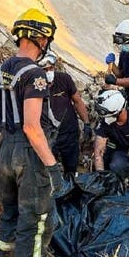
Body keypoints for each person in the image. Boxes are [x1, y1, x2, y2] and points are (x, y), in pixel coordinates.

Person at [0, 8, 63, 257]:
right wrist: (52, 165)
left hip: (5, 151)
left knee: (10, 213)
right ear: (41, 39)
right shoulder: (35, 75)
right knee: (34, 222)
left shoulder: (1, 70)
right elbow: (32, 127)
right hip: (29, 155)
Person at [39, 51, 92, 181]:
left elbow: (77, 101)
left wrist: (86, 123)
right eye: (45, 70)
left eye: (51, 68)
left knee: (71, 167)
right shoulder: (35, 86)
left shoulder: (64, 79)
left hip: (69, 132)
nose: (49, 72)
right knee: (46, 171)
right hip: (48, 136)